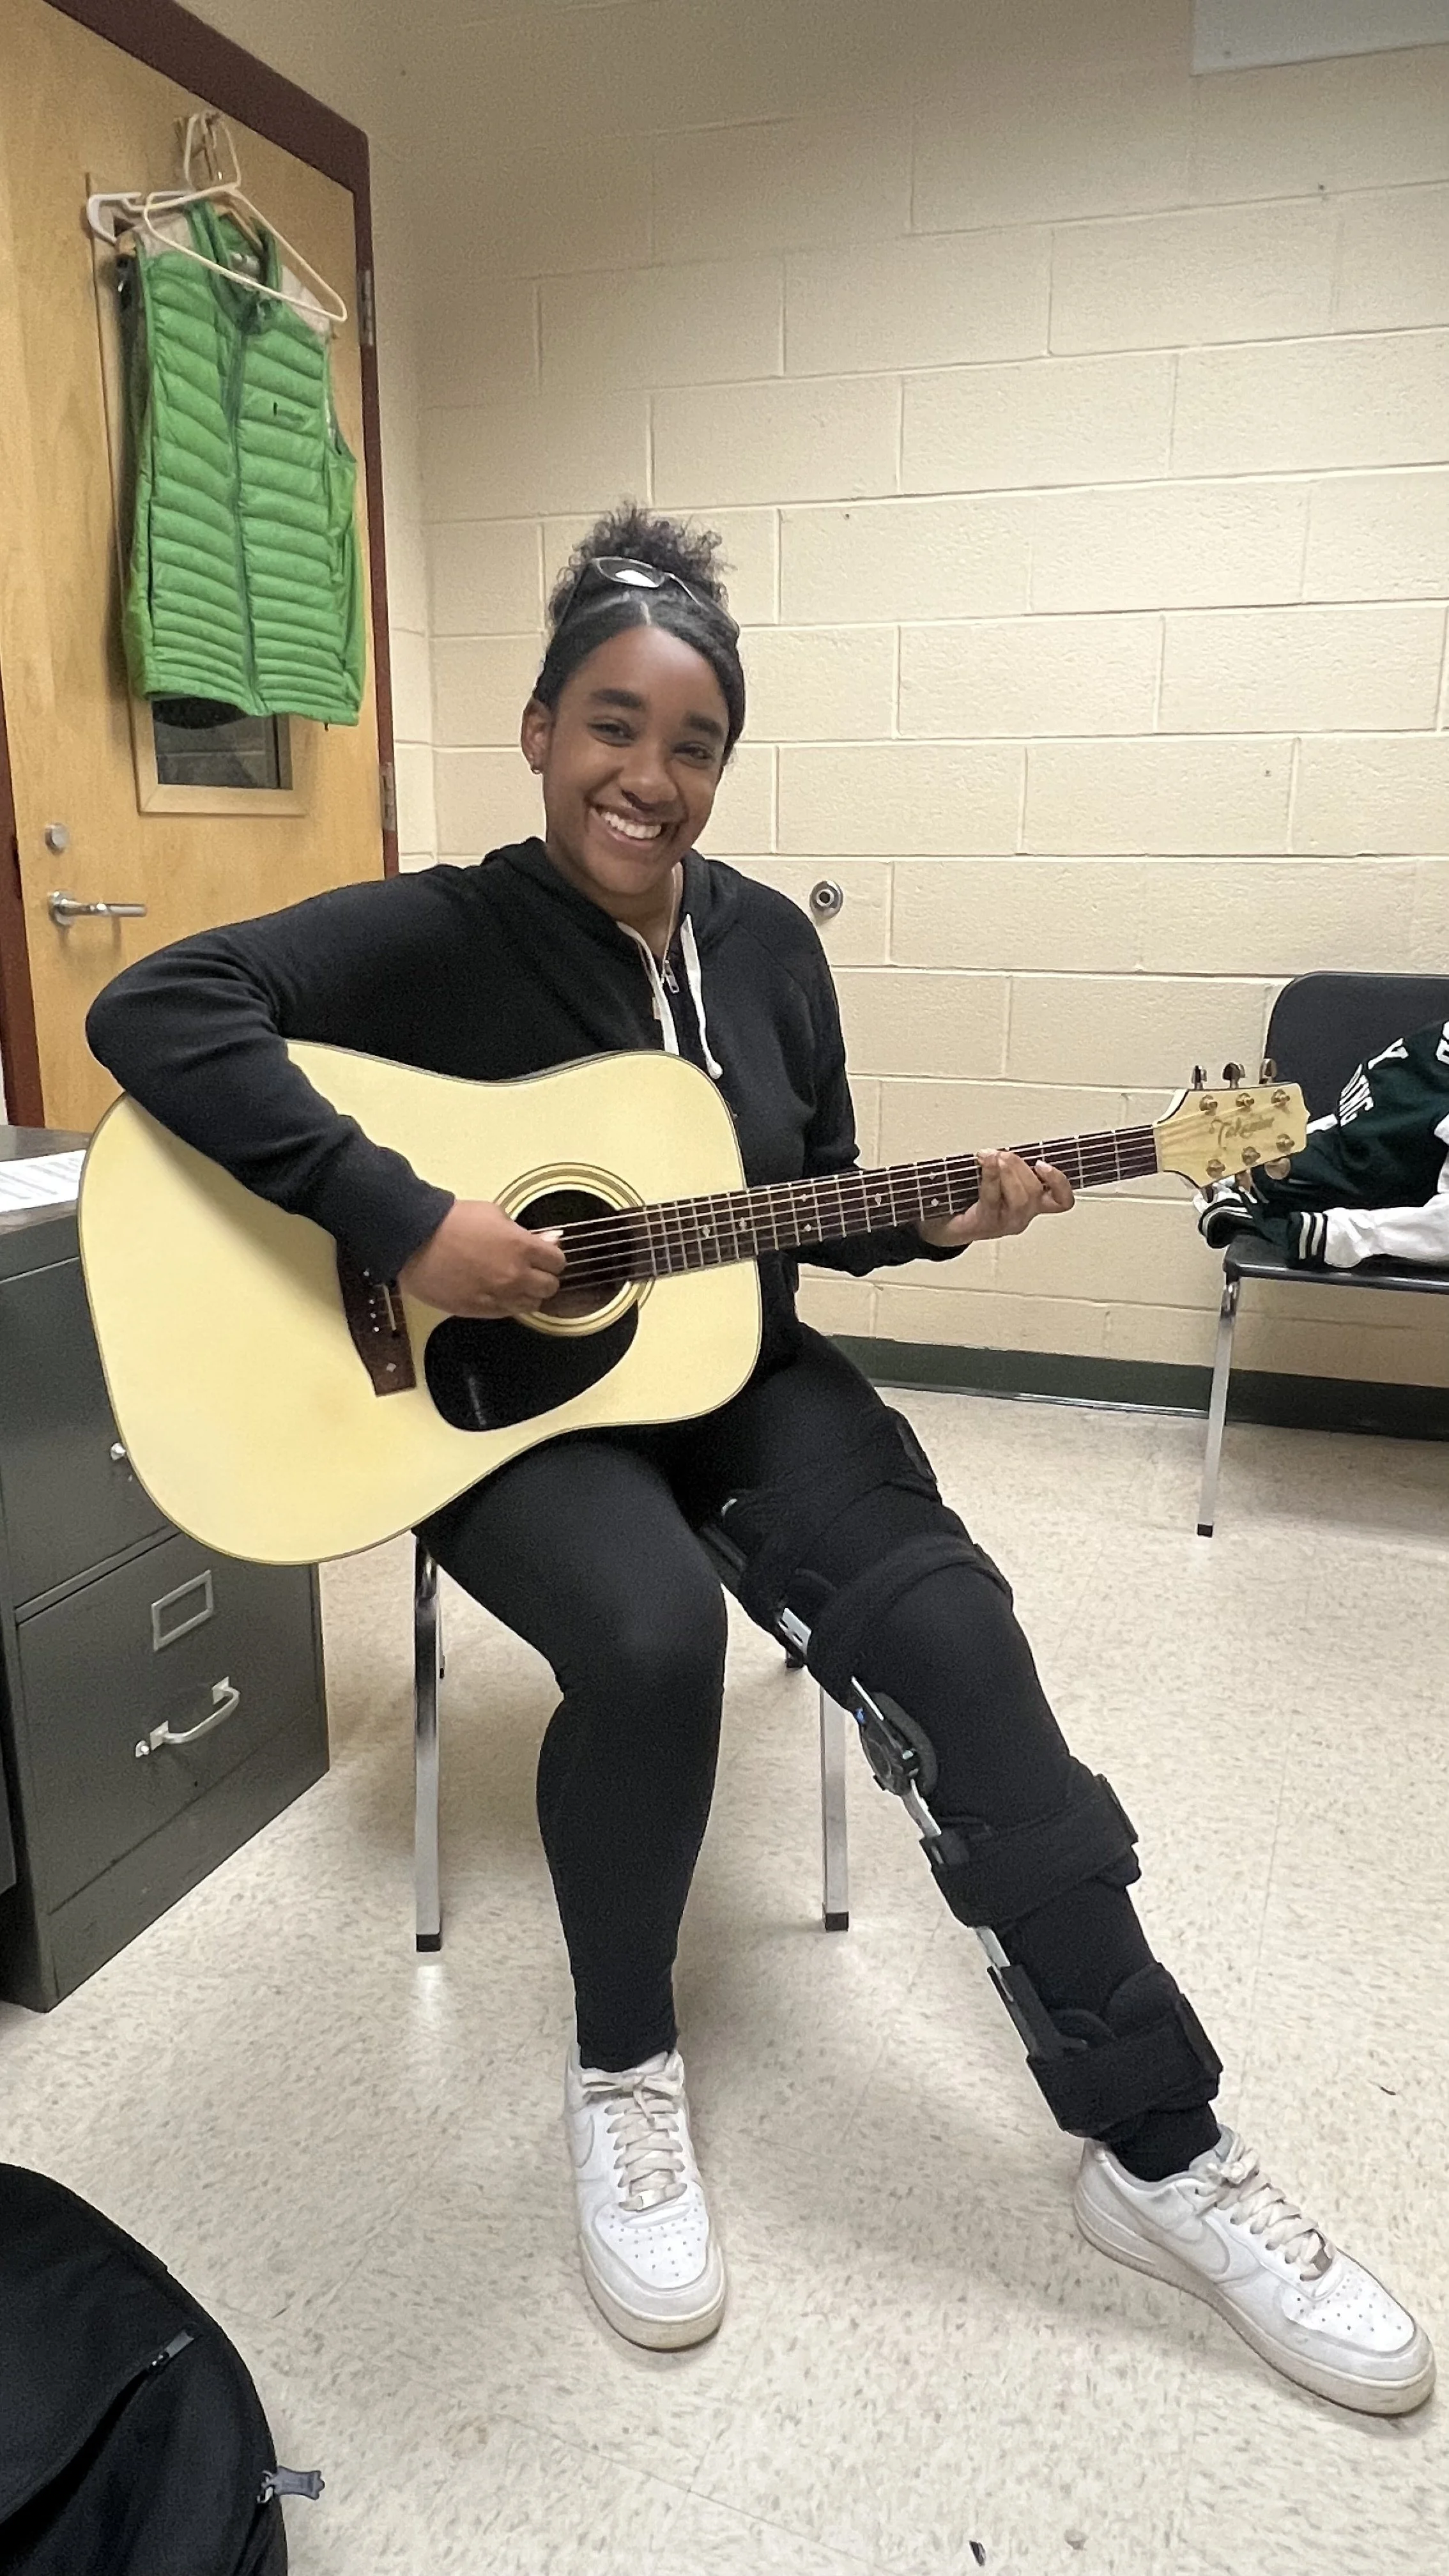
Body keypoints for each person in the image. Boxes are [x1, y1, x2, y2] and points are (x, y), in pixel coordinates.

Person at [88, 507, 1433, 2413]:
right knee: (649, 1648)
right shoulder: (436, 933)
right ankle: (624, 2070)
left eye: (693, 741)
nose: (650, 777)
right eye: (612, 726)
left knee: (956, 1631)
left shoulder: (764, 949)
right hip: (481, 1396)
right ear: (543, 728)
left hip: (733, 1361)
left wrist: (949, 1219)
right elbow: (153, 1009)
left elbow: (796, 1204)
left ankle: (1157, 2148)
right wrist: (397, 1216)